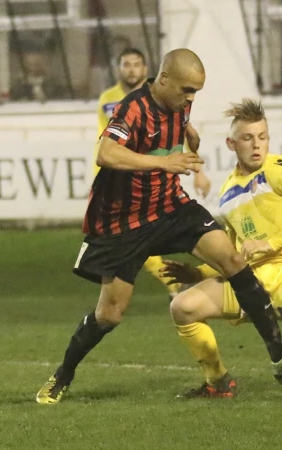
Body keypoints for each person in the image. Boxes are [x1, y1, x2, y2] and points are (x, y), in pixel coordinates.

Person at [36, 49, 282, 405]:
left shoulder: (179, 102)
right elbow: (105, 153)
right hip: (125, 221)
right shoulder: (131, 108)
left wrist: (190, 139)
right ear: (163, 79)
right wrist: (163, 161)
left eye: (196, 92)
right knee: (110, 314)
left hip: (170, 207)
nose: (191, 97)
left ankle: (280, 357)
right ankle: (63, 375)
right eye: (187, 89)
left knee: (232, 259)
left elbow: (180, 126)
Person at [163, 98, 282, 398]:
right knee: (183, 307)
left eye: (263, 137)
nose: (257, 145)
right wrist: (197, 272)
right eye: (248, 138)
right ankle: (217, 382)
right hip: (253, 277)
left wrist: (271, 243)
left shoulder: (278, 167)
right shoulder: (227, 192)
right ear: (231, 144)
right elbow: (232, 251)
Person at [94, 47, 212, 300]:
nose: (132, 70)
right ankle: (171, 285)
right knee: (132, 236)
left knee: (145, 231)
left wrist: (198, 171)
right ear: (119, 69)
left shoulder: (173, 97)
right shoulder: (112, 100)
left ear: (148, 69)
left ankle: (177, 284)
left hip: (154, 175)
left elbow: (181, 128)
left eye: (136, 64)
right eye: (126, 65)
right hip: (122, 177)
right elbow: (110, 144)